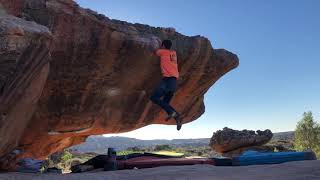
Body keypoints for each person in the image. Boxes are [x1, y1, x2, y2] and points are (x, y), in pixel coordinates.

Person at [150, 40, 182, 131]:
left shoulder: (162, 52)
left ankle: (174, 113)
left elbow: (155, 51)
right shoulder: (173, 53)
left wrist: (156, 41)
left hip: (167, 80)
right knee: (165, 104)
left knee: (154, 97)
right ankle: (177, 118)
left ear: (163, 45)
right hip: (174, 82)